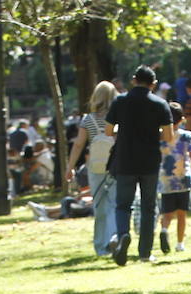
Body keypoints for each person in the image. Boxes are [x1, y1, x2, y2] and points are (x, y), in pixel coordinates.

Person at [105, 65, 174, 265]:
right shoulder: (160, 104)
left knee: (123, 205)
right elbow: (168, 136)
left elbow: (108, 131)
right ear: (154, 84)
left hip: (126, 159)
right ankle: (145, 252)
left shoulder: (120, 101)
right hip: (150, 160)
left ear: (133, 80)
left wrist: (125, 131)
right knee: (148, 206)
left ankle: (123, 235)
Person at [66, 81, 119, 256]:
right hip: (115, 165)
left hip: (96, 166)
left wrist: (70, 166)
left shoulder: (88, 119)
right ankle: (114, 237)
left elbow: (79, 144)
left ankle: (101, 245)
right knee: (114, 203)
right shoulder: (118, 117)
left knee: (99, 205)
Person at [158, 102, 191, 254]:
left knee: (167, 213)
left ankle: (163, 229)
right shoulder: (187, 136)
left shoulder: (160, 136)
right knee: (182, 214)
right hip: (183, 179)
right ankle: (180, 243)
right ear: (181, 119)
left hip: (165, 179)